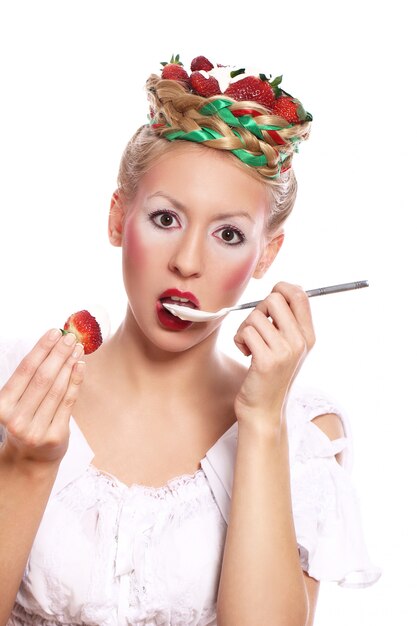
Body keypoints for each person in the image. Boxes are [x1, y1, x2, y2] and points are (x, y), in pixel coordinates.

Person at [0, 54, 381, 626]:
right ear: (117, 219)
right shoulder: (16, 387)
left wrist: (261, 421)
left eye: (228, 234)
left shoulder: (304, 440)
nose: (187, 262)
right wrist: (26, 465)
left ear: (266, 256)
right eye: (165, 219)